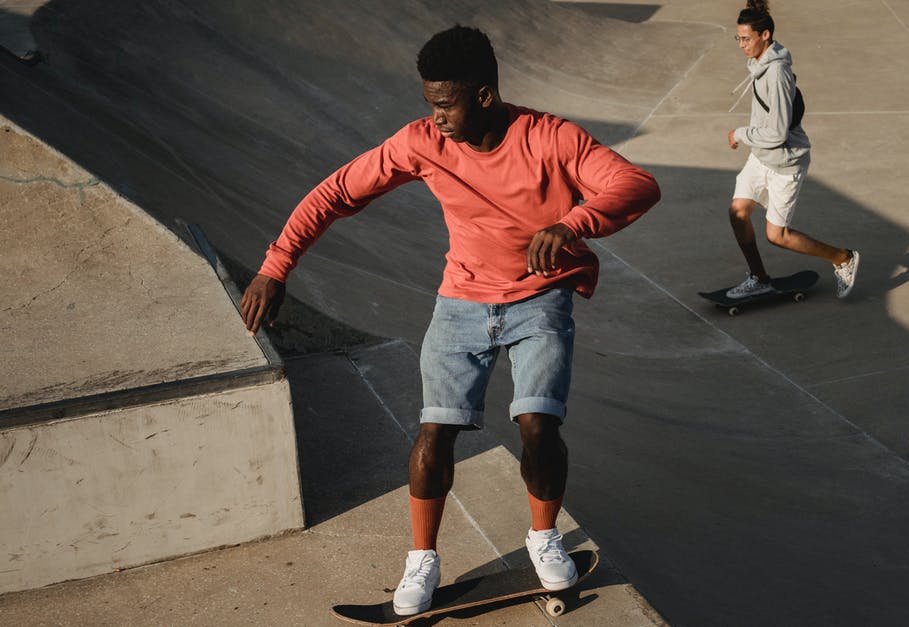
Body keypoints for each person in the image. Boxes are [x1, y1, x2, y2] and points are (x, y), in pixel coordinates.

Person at [238, 25, 660, 616]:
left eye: (445, 104)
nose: (435, 117)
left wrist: (571, 224)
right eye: (429, 104)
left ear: (484, 95)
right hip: (460, 301)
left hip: (541, 298)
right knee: (436, 430)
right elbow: (336, 192)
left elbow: (636, 184)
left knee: (538, 422)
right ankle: (422, 561)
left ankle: (543, 539)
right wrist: (275, 267)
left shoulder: (550, 137)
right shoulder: (419, 143)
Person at [725, 0, 860, 299]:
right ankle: (759, 278)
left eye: (746, 38)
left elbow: (776, 132)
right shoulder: (760, 62)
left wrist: (741, 133)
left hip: (785, 162)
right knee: (738, 213)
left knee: (778, 235)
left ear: (765, 35)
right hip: (761, 158)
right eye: (739, 38)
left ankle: (843, 258)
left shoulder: (777, 74)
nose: (741, 45)